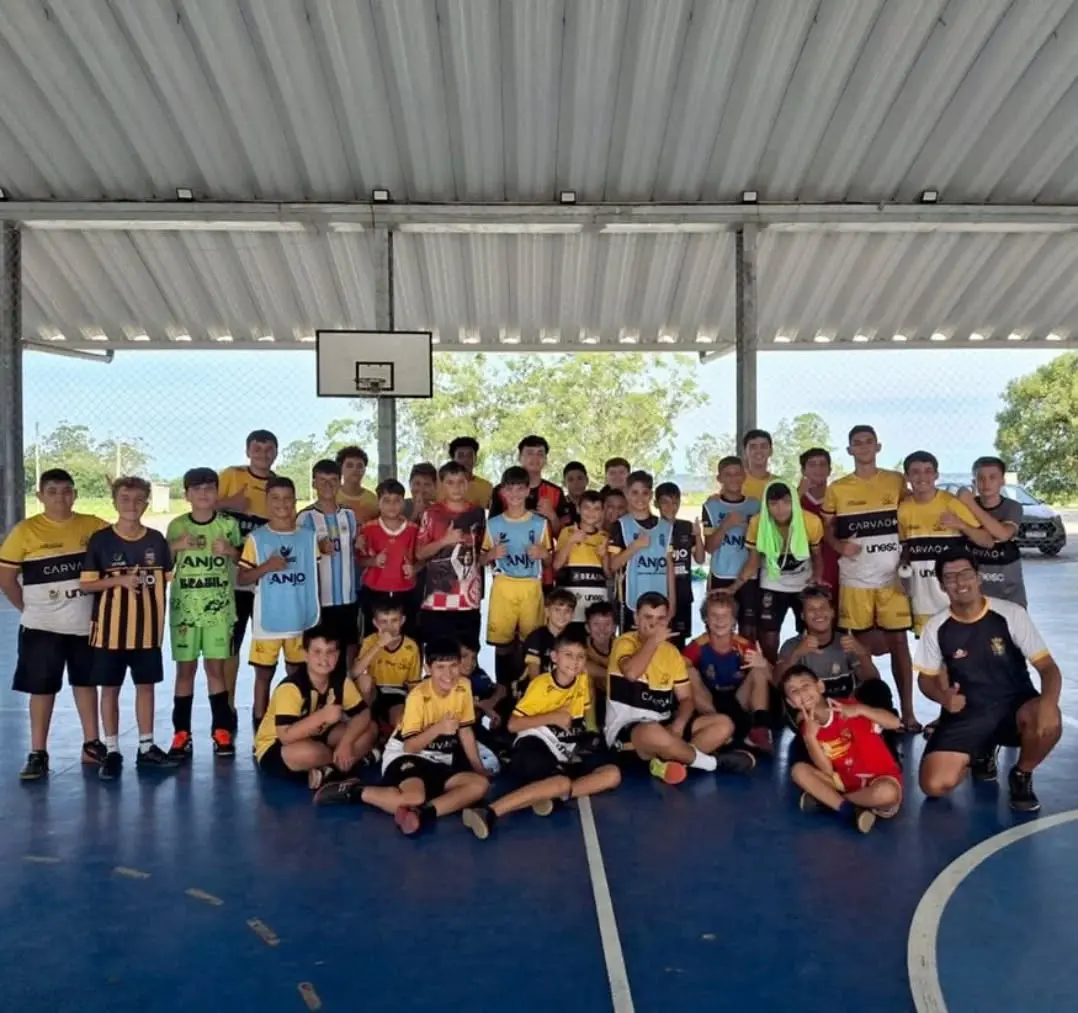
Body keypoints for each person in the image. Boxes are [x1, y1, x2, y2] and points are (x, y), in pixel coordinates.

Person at [916, 551, 1062, 813]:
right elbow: (925, 680)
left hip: (1015, 710)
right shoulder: (936, 626)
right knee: (934, 785)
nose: (960, 582)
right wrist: (943, 698)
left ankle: (1021, 774)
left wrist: (1049, 704)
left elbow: (1048, 668)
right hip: (966, 714)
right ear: (941, 585)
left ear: (978, 577)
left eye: (966, 574)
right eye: (950, 577)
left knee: (1048, 719)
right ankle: (980, 751)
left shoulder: (1010, 614)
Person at [314, 638, 490, 835]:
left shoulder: (463, 686)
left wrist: (479, 768)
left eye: (453, 666)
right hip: (407, 755)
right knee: (414, 796)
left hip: (440, 759)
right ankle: (355, 791)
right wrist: (437, 729)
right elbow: (410, 747)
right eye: (440, 667)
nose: (448, 674)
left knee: (479, 785)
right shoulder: (417, 697)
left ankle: (422, 813)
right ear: (428, 668)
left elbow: (465, 730)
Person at [0, 469, 108, 779]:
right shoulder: (25, 531)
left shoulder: (94, 526)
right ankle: (38, 753)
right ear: (40, 496)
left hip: (85, 626)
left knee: (86, 684)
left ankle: (91, 745)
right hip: (41, 628)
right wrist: (27, 608)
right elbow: (6, 578)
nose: (60, 497)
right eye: (52, 491)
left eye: (66, 491)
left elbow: (119, 551)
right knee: (41, 689)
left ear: (74, 494)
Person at [461, 629, 621, 839]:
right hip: (534, 744)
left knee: (612, 774)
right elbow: (513, 725)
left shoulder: (581, 679)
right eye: (568, 655)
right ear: (555, 657)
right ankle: (489, 811)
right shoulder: (541, 685)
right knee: (561, 782)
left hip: (565, 747)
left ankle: (552, 796)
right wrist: (552, 716)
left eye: (580, 657)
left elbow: (579, 713)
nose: (575, 662)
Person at [822, 425, 919, 732]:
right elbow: (826, 529)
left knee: (899, 643)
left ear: (878, 446)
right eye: (856, 443)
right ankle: (866, 712)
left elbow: (909, 518)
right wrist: (839, 545)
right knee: (856, 646)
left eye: (868, 442)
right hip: (855, 580)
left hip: (892, 579)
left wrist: (906, 557)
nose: (863, 447)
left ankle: (908, 712)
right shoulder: (837, 488)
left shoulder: (895, 480)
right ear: (849, 450)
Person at [80, 477, 177, 779]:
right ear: (114, 502)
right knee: (110, 689)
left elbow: (167, 577)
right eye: (125, 499)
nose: (131, 505)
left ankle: (146, 746)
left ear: (147, 503)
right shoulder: (101, 540)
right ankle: (111, 749)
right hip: (109, 632)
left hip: (147, 631)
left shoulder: (157, 540)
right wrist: (118, 581)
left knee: (145, 687)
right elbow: (86, 584)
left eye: (138, 499)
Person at [605, 592, 755, 783]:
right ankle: (711, 763)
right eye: (648, 617)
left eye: (660, 619)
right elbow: (631, 673)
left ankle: (668, 763)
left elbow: (686, 699)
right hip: (629, 731)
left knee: (723, 724)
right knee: (653, 731)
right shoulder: (624, 642)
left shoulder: (672, 653)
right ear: (636, 618)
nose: (653, 624)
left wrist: (679, 724)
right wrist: (654, 641)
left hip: (665, 725)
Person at [165, 467, 244, 761]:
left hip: (219, 610)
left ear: (216, 493)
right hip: (185, 611)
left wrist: (231, 552)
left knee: (215, 670)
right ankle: (181, 732)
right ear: (186, 495)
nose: (203, 494)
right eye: (196, 489)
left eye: (209, 488)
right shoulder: (176, 526)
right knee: (185, 672)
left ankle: (221, 730)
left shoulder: (228, 525)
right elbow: (162, 565)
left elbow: (243, 560)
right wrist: (177, 547)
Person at [236, 477, 321, 732]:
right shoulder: (257, 539)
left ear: (295, 501)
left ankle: (296, 722)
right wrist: (267, 567)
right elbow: (242, 577)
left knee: (297, 673)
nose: (282, 504)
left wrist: (316, 613)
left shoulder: (309, 537)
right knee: (264, 675)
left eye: (287, 498)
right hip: (269, 621)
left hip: (300, 620)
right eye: (275, 498)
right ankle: (260, 726)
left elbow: (313, 577)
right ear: (267, 502)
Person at [782, 665, 902, 833]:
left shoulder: (848, 707)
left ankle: (830, 802)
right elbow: (826, 770)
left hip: (878, 779)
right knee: (798, 771)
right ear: (790, 702)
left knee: (887, 793)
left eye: (805, 685)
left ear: (820, 686)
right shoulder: (808, 727)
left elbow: (895, 723)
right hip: (844, 783)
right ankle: (847, 809)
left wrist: (862, 710)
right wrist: (810, 738)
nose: (801, 693)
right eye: (793, 691)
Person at [254, 626, 375, 787]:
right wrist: (322, 716)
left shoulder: (340, 682)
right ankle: (342, 768)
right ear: (305, 655)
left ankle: (328, 772)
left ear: (338, 655)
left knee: (370, 729)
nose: (324, 659)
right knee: (311, 752)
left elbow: (363, 714)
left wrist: (346, 743)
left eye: (330, 652)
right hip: (278, 746)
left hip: (320, 736)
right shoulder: (291, 688)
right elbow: (285, 735)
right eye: (317, 652)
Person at [218, 428, 278, 728]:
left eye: (268, 449)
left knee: (265, 642)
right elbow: (202, 507)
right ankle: (227, 707)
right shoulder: (231, 476)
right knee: (232, 641)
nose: (263, 454)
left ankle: (261, 707)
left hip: (266, 578)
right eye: (257, 448)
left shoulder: (278, 486)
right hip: (234, 574)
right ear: (247, 450)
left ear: (276, 453)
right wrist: (229, 505)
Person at [899, 450, 994, 634]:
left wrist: (961, 525)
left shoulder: (951, 503)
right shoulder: (903, 509)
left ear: (936, 475)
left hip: (955, 601)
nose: (922, 476)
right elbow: (906, 549)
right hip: (923, 602)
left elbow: (987, 541)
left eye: (928, 471)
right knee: (931, 659)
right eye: (916, 471)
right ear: (907, 477)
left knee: (962, 656)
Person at [775, 586, 896, 726]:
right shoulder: (791, 645)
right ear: (802, 615)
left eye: (822, 607)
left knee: (877, 689)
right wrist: (796, 654)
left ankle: (885, 734)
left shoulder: (846, 641)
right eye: (811, 609)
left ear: (832, 612)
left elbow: (873, 681)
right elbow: (777, 683)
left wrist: (861, 653)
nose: (818, 613)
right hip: (813, 716)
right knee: (793, 698)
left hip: (847, 709)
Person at [736, 481, 824, 663]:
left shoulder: (811, 521)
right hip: (772, 584)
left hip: (803, 585)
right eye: (774, 504)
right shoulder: (757, 522)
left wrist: (817, 577)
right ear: (766, 505)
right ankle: (772, 678)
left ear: (794, 501)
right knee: (768, 637)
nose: (780, 509)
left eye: (786, 502)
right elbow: (752, 562)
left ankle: (808, 675)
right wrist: (732, 588)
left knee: (812, 633)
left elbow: (817, 555)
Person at [480, 466, 551, 688]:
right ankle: (502, 691)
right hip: (503, 585)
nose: (515, 494)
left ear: (528, 491)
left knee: (530, 641)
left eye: (520, 489)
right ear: (502, 491)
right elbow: (480, 560)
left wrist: (543, 554)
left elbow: (549, 560)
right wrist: (491, 554)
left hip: (530, 586)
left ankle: (526, 690)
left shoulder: (539, 523)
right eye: (510, 489)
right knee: (502, 643)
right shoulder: (493, 524)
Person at [683, 592, 773, 752]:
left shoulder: (744, 645)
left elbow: (777, 681)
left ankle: (760, 729)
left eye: (725, 616)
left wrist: (764, 664)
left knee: (759, 670)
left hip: (738, 701)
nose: (720, 620)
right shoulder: (697, 646)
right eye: (714, 615)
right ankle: (716, 727)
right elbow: (677, 675)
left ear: (733, 620)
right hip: (708, 704)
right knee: (686, 671)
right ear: (705, 619)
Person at [414, 460, 486, 646]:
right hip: (436, 598)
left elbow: (479, 554)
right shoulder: (431, 514)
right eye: (450, 482)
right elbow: (420, 553)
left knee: (467, 655)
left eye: (461, 482)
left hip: (468, 599)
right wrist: (444, 541)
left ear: (468, 483)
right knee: (437, 654)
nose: (456, 488)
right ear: (442, 485)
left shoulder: (477, 513)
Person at [299, 460, 361, 672]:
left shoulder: (349, 515)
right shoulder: (305, 518)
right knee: (324, 648)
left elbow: (357, 548)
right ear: (314, 483)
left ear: (339, 483)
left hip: (348, 595)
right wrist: (316, 548)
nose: (328, 485)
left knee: (349, 645)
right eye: (322, 480)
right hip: (319, 599)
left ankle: (347, 689)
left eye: (333, 480)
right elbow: (298, 556)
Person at [489, 437, 569, 579]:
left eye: (540, 453)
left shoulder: (555, 492)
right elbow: (490, 535)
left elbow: (562, 537)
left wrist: (552, 516)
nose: (535, 458)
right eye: (530, 453)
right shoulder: (501, 491)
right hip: (508, 574)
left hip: (545, 574)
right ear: (520, 457)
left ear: (546, 459)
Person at [702, 455, 760, 638]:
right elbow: (709, 547)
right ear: (720, 478)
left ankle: (746, 666)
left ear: (744, 476)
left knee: (749, 629)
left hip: (750, 577)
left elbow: (760, 549)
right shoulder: (711, 506)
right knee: (717, 627)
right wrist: (726, 525)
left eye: (737, 474)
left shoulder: (756, 506)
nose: (733, 478)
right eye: (728, 474)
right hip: (720, 575)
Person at [607, 471, 672, 633]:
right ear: (627, 494)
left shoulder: (665, 527)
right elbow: (613, 565)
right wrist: (635, 546)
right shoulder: (620, 525)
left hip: (660, 602)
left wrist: (673, 603)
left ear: (650, 495)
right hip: (631, 601)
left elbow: (669, 569)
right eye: (634, 493)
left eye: (644, 493)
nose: (640, 498)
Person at [356, 478, 418, 637]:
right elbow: (359, 559)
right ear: (378, 503)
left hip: (405, 592)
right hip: (374, 591)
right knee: (372, 636)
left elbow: (421, 558)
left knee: (408, 635)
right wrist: (374, 561)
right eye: (386, 500)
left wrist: (414, 569)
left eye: (397, 500)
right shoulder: (368, 529)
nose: (392, 505)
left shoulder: (413, 530)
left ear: (404, 503)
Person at [352, 600, 422, 732]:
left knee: (400, 722)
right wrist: (379, 645)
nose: (389, 626)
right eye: (384, 621)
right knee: (364, 681)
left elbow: (414, 685)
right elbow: (355, 672)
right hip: (373, 690)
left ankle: (386, 739)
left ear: (402, 621)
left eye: (394, 620)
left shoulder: (411, 647)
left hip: (396, 693)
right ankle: (364, 723)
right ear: (375, 623)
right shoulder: (370, 641)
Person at [966, 456, 1027, 608]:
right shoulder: (964, 509)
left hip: (1009, 590)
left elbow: (1003, 534)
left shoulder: (1013, 507)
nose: (986, 483)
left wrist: (970, 504)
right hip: (976, 590)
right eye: (981, 478)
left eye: (993, 477)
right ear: (974, 482)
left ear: (1002, 481)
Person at [656, 481, 704, 649]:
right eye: (665, 502)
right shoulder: (653, 528)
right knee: (658, 639)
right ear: (656, 504)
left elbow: (699, 559)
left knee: (679, 640)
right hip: (660, 592)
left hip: (683, 591)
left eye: (675, 502)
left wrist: (698, 536)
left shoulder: (686, 527)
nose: (671, 507)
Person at [553, 490, 609, 623]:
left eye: (596, 509)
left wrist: (605, 555)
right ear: (578, 509)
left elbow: (609, 573)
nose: (591, 512)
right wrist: (571, 541)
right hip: (571, 598)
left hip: (596, 599)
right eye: (587, 508)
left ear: (602, 512)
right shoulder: (567, 532)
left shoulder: (605, 536)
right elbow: (556, 565)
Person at [799, 448, 839, 593]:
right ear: (803, 470)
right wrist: (797, 494)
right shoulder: (795, 500)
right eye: (812, 464)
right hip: (803, 571)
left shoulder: (839, 497)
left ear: (829, 470)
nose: (818, 469)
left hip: (838, 568)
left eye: (822, 464)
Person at [522, 588, 578, 686]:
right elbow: (534, 676)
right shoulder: (536, 637)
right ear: (547, 612)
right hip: (536, 691)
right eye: (557, 610)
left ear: (572, 615)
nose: (562, 615)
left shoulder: (574, 638)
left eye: (567, 611)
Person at [443, 436, 493, 509]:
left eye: (469, 455)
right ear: (453, 459)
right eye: (460, 456)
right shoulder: (439, 483)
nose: (466, 460)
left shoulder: (486, 487)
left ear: (475, 458)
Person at [335, 446, 379, 523]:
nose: (355, 469)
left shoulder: (373, 500)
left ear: (364, 470)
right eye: (349, 465)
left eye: (359, 466)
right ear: (340, 469)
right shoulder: (331, 497)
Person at [741, 429, 775, 502]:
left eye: (763, 446)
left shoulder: (779, 482)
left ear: (771, 451)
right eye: (753, 447)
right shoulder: (735, 481)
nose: (758, 451)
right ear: (745, 452)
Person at [562, 461, 589, 525]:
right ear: (564, 483)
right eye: (571, 479)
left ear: (587, 480)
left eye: (580, 478)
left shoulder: (595, 503)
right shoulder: (559, 505)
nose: (576, 483)